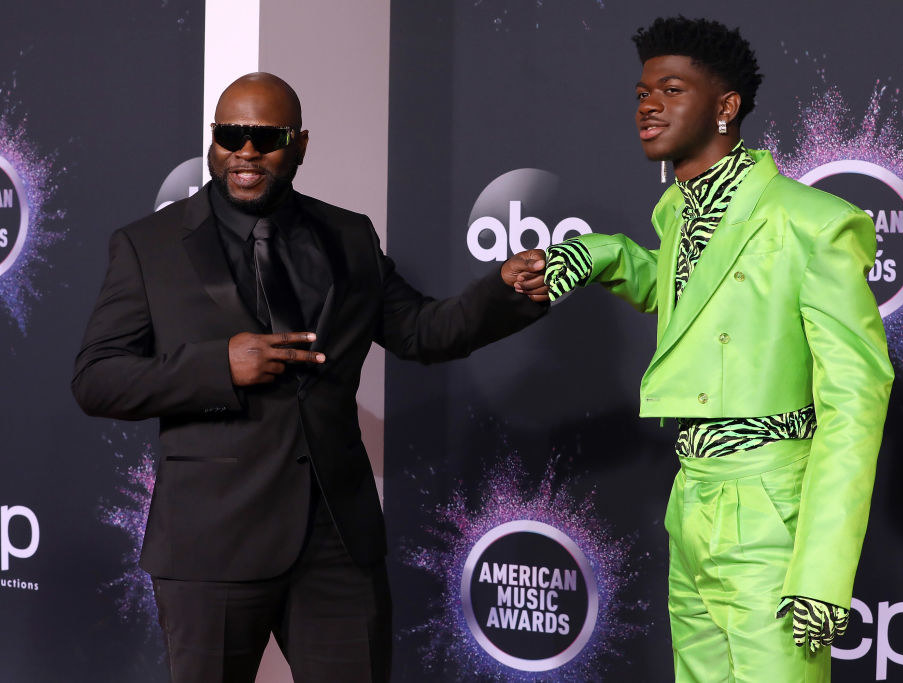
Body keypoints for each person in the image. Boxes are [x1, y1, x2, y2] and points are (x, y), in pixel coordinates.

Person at [72, 72, 548, 683]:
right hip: (212, 542)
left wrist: (502, 293)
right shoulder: (149, 245)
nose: (246, 152)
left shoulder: (349, 235)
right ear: (214, 140)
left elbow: (423, 332)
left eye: (265, 137)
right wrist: (221, 365)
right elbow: (98, 378)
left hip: (337, 542)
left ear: (299, 144)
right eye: (231, 135)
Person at [544, 16, 893, 682]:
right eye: (642, 92)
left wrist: (821, 572)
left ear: (726, 107)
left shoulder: (811, 222)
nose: (648, 104)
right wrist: (600, 253)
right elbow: (698, 299)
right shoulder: (679, 212)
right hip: (693, 499)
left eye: (671, 89)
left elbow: (856, 397)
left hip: (769, 513)